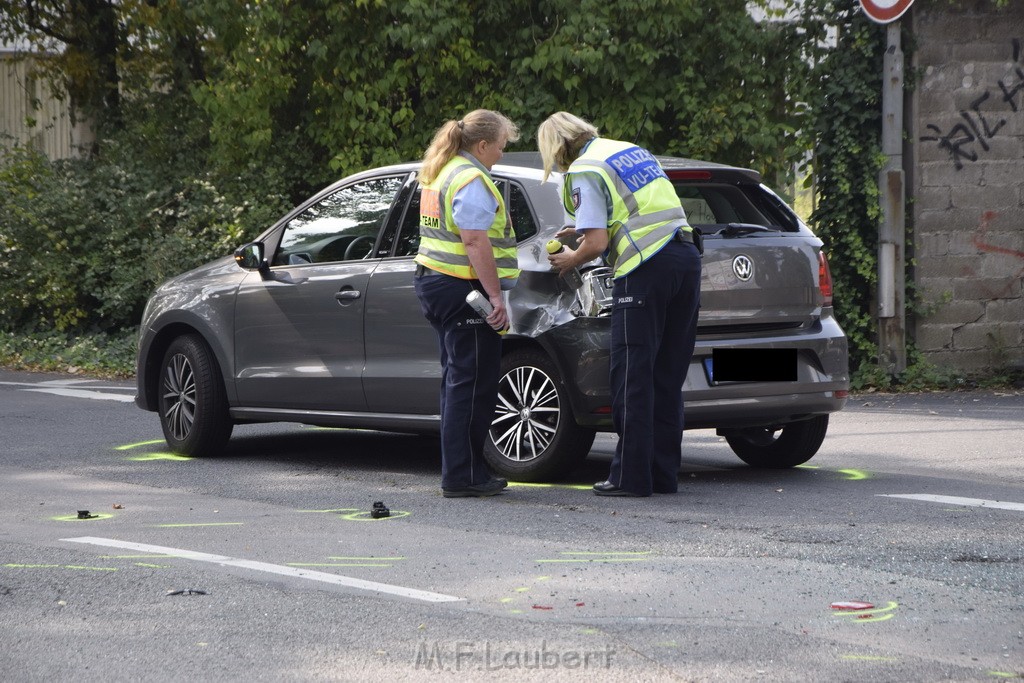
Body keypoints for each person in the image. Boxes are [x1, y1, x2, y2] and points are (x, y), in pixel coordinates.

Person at [537, 111, 702, 497]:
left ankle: (629, 477)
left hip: (646, 267)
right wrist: (583, 227)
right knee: (667, 374)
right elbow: (633, 210)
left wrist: (570, 259)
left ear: (557, 148)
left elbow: (594, 245)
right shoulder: (627, 151)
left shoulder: (584, 169)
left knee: (632, 373)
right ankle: (662, 475)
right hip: (685, 258)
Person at [414, 109, 521, 498]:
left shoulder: (443, 169)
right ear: (482, 145)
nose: (502, 154)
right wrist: (495, 297)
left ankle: (461, 471)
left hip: (436, 282)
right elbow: (475, 241)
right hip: (463, 288)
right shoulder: (471, 178)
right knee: (472, 384)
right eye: (501, 146)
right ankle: (464, 476)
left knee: (457, 381)